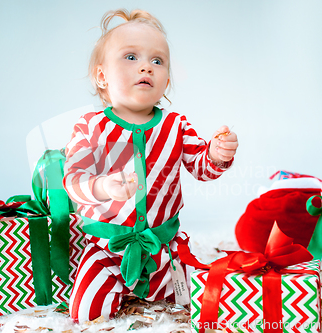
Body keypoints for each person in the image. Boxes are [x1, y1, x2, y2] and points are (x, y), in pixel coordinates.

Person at [63, 9, 238, 322]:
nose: (146, 66)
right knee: (86, 314)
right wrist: (102, 186)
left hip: (164, 249)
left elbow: (201, 168)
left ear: (166, 81)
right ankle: (107, 287)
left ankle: (166, 288)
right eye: (130, 57)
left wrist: (216, 155)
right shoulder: (90, 126)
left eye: (157, 61)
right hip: (106, 249)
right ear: (101, 75)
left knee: (206, 300)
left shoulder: (176, 125)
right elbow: (73, 179)